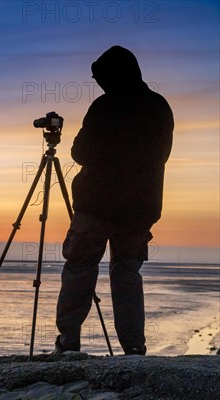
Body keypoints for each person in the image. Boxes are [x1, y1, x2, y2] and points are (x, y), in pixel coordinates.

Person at [54, 45, 174, 355]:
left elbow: (80, 152)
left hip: (96, 205)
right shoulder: (159, 107)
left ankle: (68, 343)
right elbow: (163, 155)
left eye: (101, 79)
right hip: (140, 208)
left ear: (113, 77)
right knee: (127, 273)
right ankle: (134, 350)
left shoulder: (105, 107)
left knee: (80, 268)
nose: (99, 85)